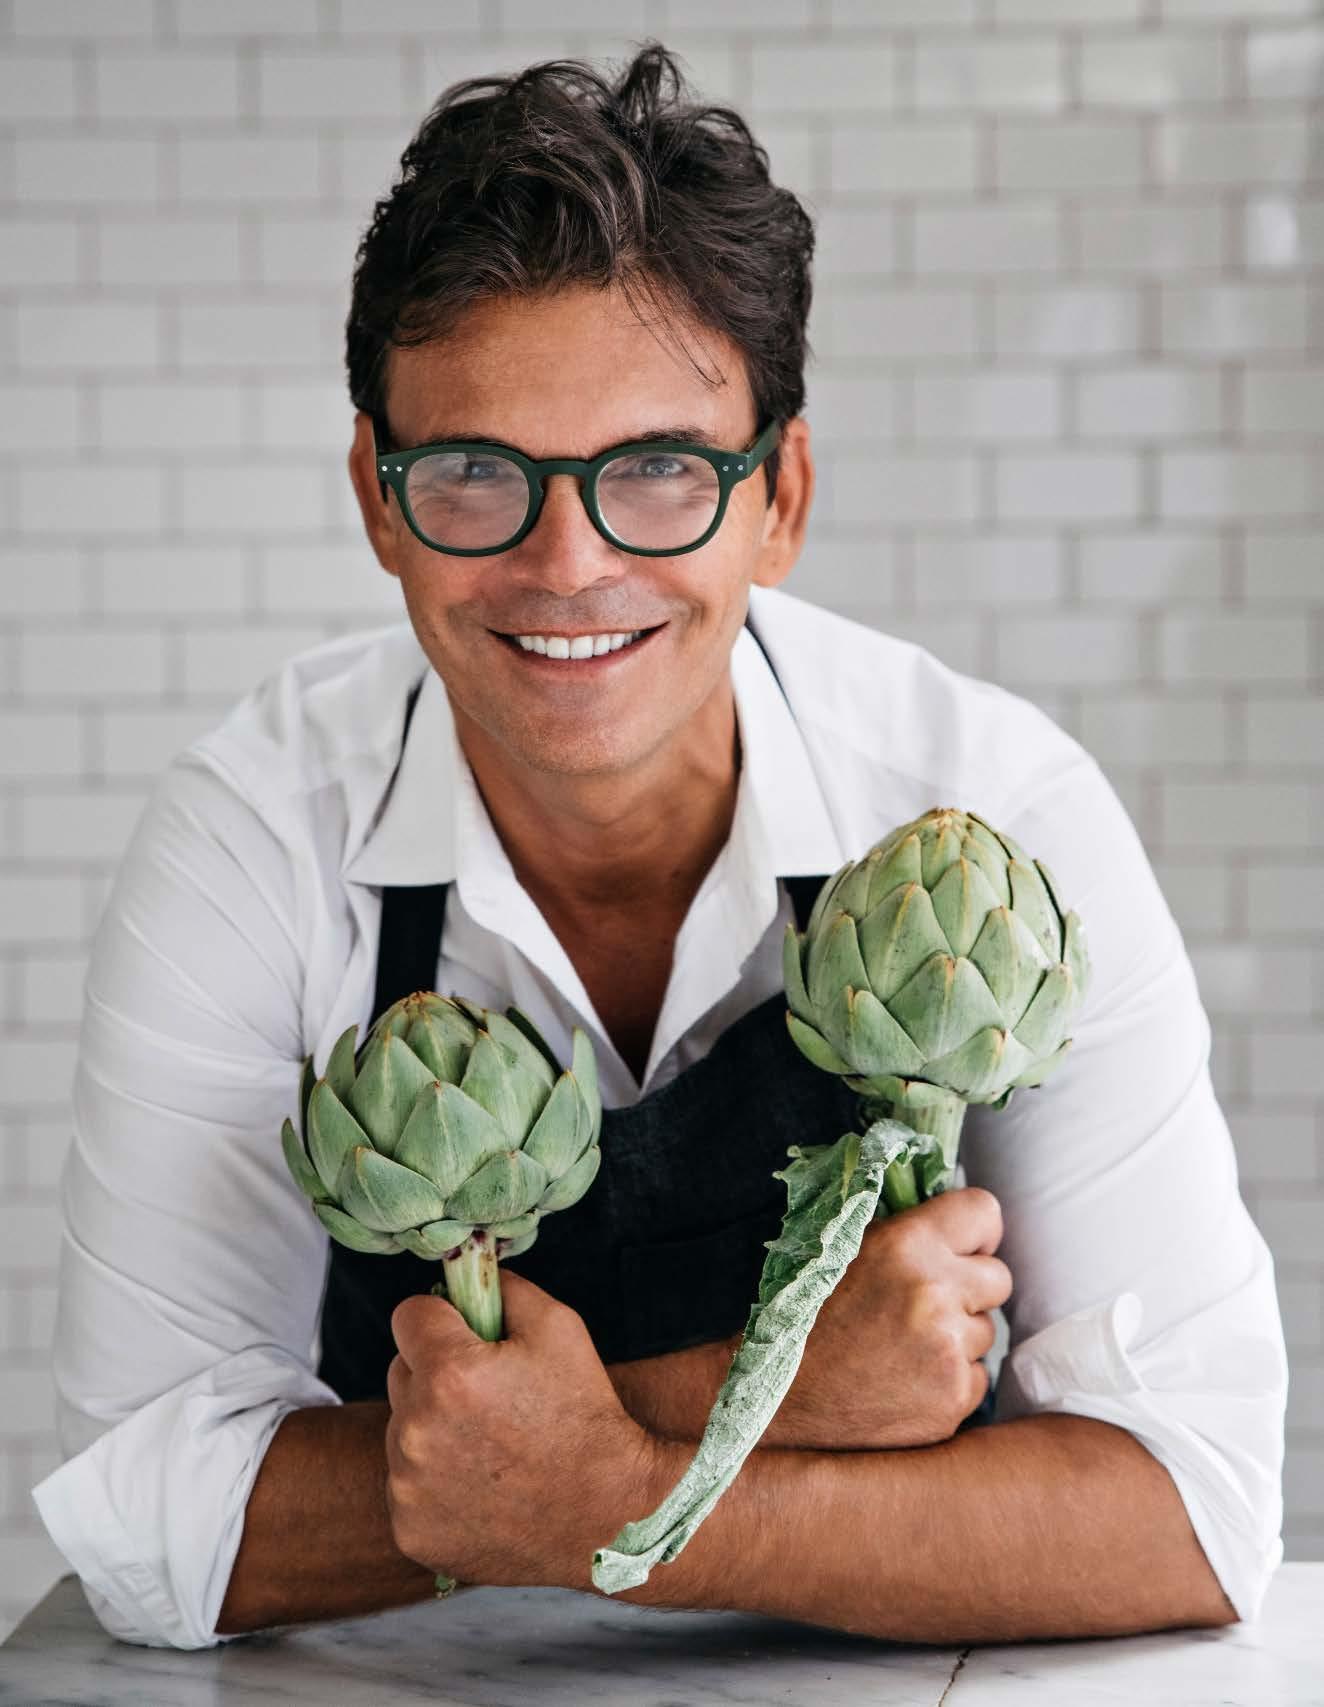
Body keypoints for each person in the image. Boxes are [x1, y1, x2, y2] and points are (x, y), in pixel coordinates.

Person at [32, 44, 1285, 1651]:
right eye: (474, 473)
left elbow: (1189, 1510)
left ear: (781, 498)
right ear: (378, 499)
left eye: (660, 472)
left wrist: (610, 1494)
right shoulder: (258, 840)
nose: (569, 564)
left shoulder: (999, 821)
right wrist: (761, 1392)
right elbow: (154, 1526)